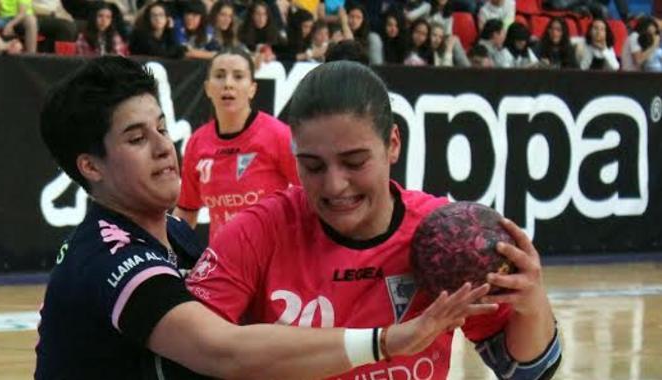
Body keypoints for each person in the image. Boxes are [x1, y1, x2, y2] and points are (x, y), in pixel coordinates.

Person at [35, 55, 497, 380]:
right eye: (136, 138)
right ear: (90, 166)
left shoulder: (176, 234)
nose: (162, 146)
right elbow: (221, 351)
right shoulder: (107, 256)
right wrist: (387, 342)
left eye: (160, 127)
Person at [186, 61, 563, 380]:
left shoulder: (445, 238)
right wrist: (381, 341)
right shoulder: (258, 232)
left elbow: (528, 370)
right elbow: (192, 349)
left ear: (393, 144)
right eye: (313, 166)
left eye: (354, 162)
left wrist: (532, 302)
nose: (334, 185)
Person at [174, 47, 299, 239]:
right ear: (208, 88)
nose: (228, 84)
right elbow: (186, 211)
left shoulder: (279, 135)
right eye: (220, 75)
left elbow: (313, 195)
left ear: (252, 89)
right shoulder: (197, 142)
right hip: (222, 260)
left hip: (272, 259)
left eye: (238, 76)